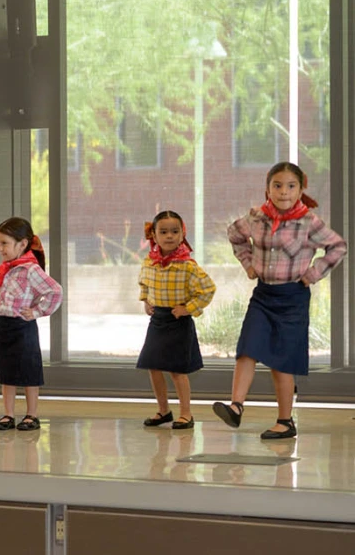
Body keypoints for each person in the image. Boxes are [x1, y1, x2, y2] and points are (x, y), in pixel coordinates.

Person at [213, 161, 347, 439]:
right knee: (247, 348)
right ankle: (236, 407)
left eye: (291, 186)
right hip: (263, 294)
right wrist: (248, 264)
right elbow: (235, 235)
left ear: (300, 190)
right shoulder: (256, 217)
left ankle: (285, 421)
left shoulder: (309, 222)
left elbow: (338, 246)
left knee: (281, 362)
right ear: (267, 188)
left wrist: (313, 274)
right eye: (277, 185)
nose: (283, 192)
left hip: (292, 297)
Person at [137, 210, 217, 430]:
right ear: (154, 235)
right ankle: (163, 411)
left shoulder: (187, 265)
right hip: (158, 320)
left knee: (177, 370)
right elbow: (144, 283)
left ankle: (186, 414)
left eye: (175, 231)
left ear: (183, 234)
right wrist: (146, 301)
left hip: (178, 321)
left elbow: (208, 290)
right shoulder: (149, 262)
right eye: (163, 232)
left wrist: (188, 308)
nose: (169, 236)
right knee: (153, 367)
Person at [0, 217, 62, 431]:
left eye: (5, 243)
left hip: (23, 325)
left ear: (22, 244)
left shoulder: (30, 270)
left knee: (29, 369)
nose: (1, 248)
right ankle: (8, 414)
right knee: (7, 370)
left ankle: (31, 414)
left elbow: (54, 291)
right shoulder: (0, 269)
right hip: (4, 324)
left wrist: (37, 311)